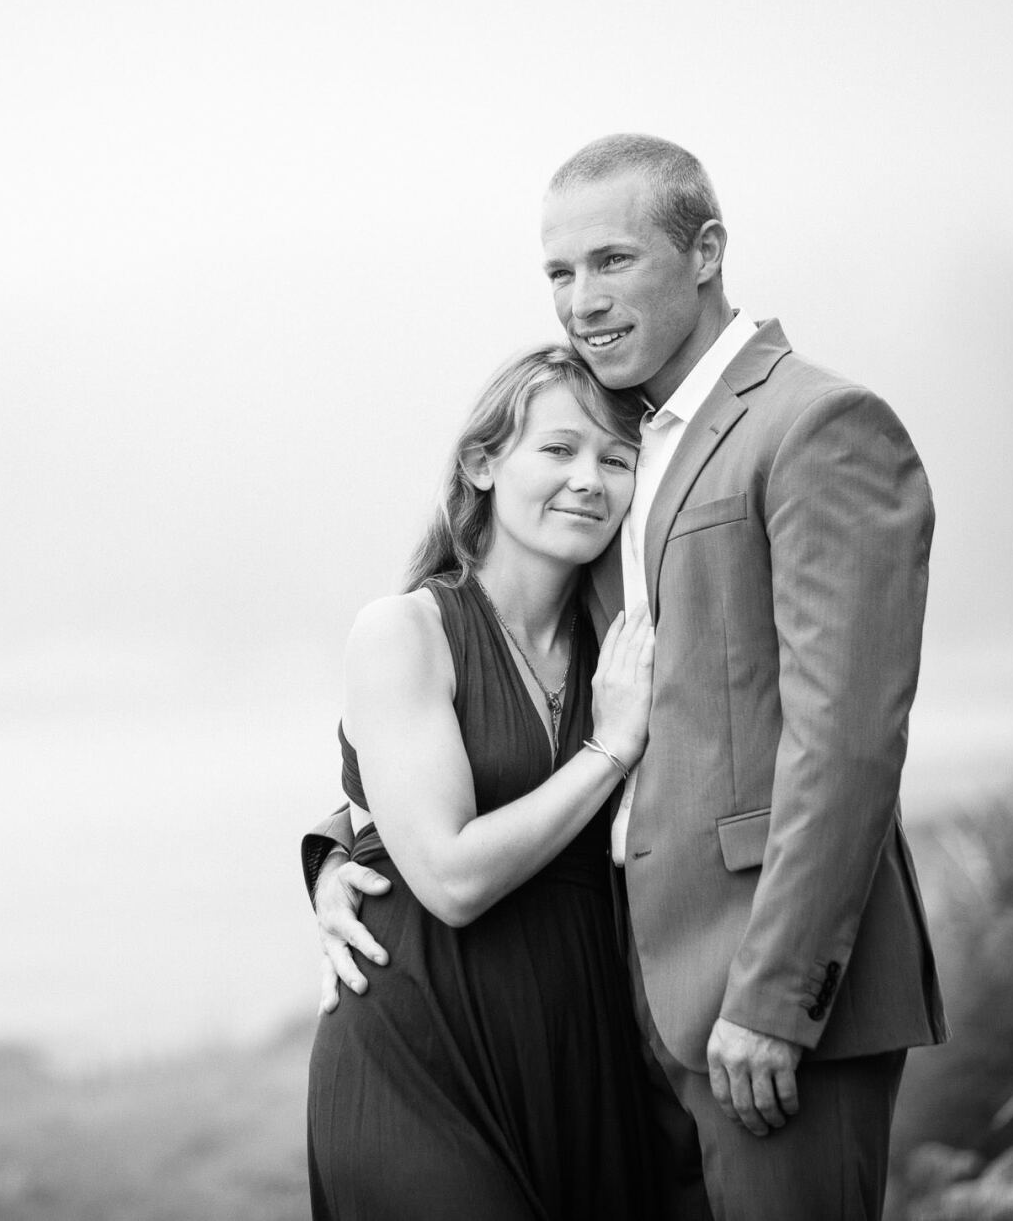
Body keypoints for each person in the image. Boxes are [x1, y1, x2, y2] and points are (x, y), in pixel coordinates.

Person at [305, 134, 947, 1220]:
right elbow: (521, 710)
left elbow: (846, 741)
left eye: (612, 261)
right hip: (626, 1013)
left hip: (760, 999)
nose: (582, 299)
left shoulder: (814, 426)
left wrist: (778, 996)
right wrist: (342, 849)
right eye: (560, 272)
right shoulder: (638, 454)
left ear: (705, 251)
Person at [306, 345, 659, 1219]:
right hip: (418, 1061)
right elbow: (452, 877)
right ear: (483, 462)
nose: (589, 479)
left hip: (580, 1059)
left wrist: (328, 852)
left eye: (617, 459)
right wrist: (608, 751)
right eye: (559, 449)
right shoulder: (405, 631)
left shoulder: (630, 645)